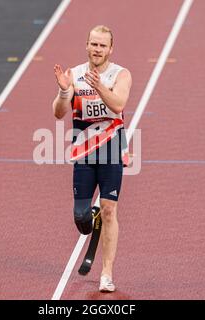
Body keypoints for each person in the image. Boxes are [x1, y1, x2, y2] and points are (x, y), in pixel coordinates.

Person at [52, 25, 132, 292]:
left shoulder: (120, 74)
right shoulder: (74, 74)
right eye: (93, 44)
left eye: (102, 46)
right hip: (84, 152)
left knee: (110, 209)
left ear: (111, 49)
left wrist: (100, 87)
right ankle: (90, 219)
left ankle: (106, 273)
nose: (97, 50)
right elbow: (58, 113)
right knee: (81, 218)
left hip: (111, 149)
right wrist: (65, 92)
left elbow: (118, 105)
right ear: (86, 45)